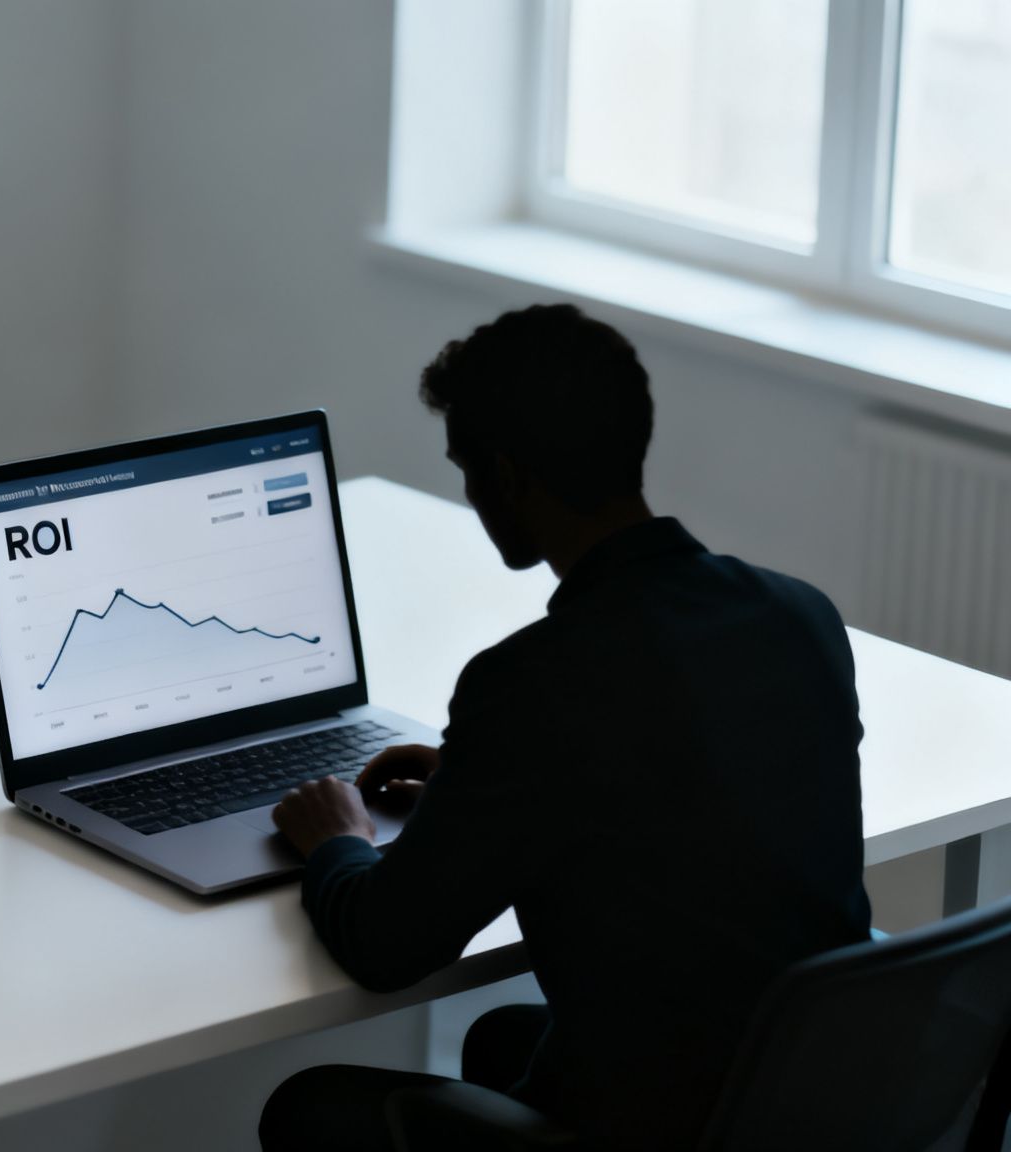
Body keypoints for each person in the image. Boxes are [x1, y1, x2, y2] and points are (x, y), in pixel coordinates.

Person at [259, 304, 870, 1151]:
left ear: (507, 476)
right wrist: (480, 779)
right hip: (804, 1094)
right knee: (502, 1036)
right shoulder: (801, 616)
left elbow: (385, 945)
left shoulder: (532, 682)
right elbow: (686, 779)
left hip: (665, 1125)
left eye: (467, 471)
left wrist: (338, 839)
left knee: (309, 1106)